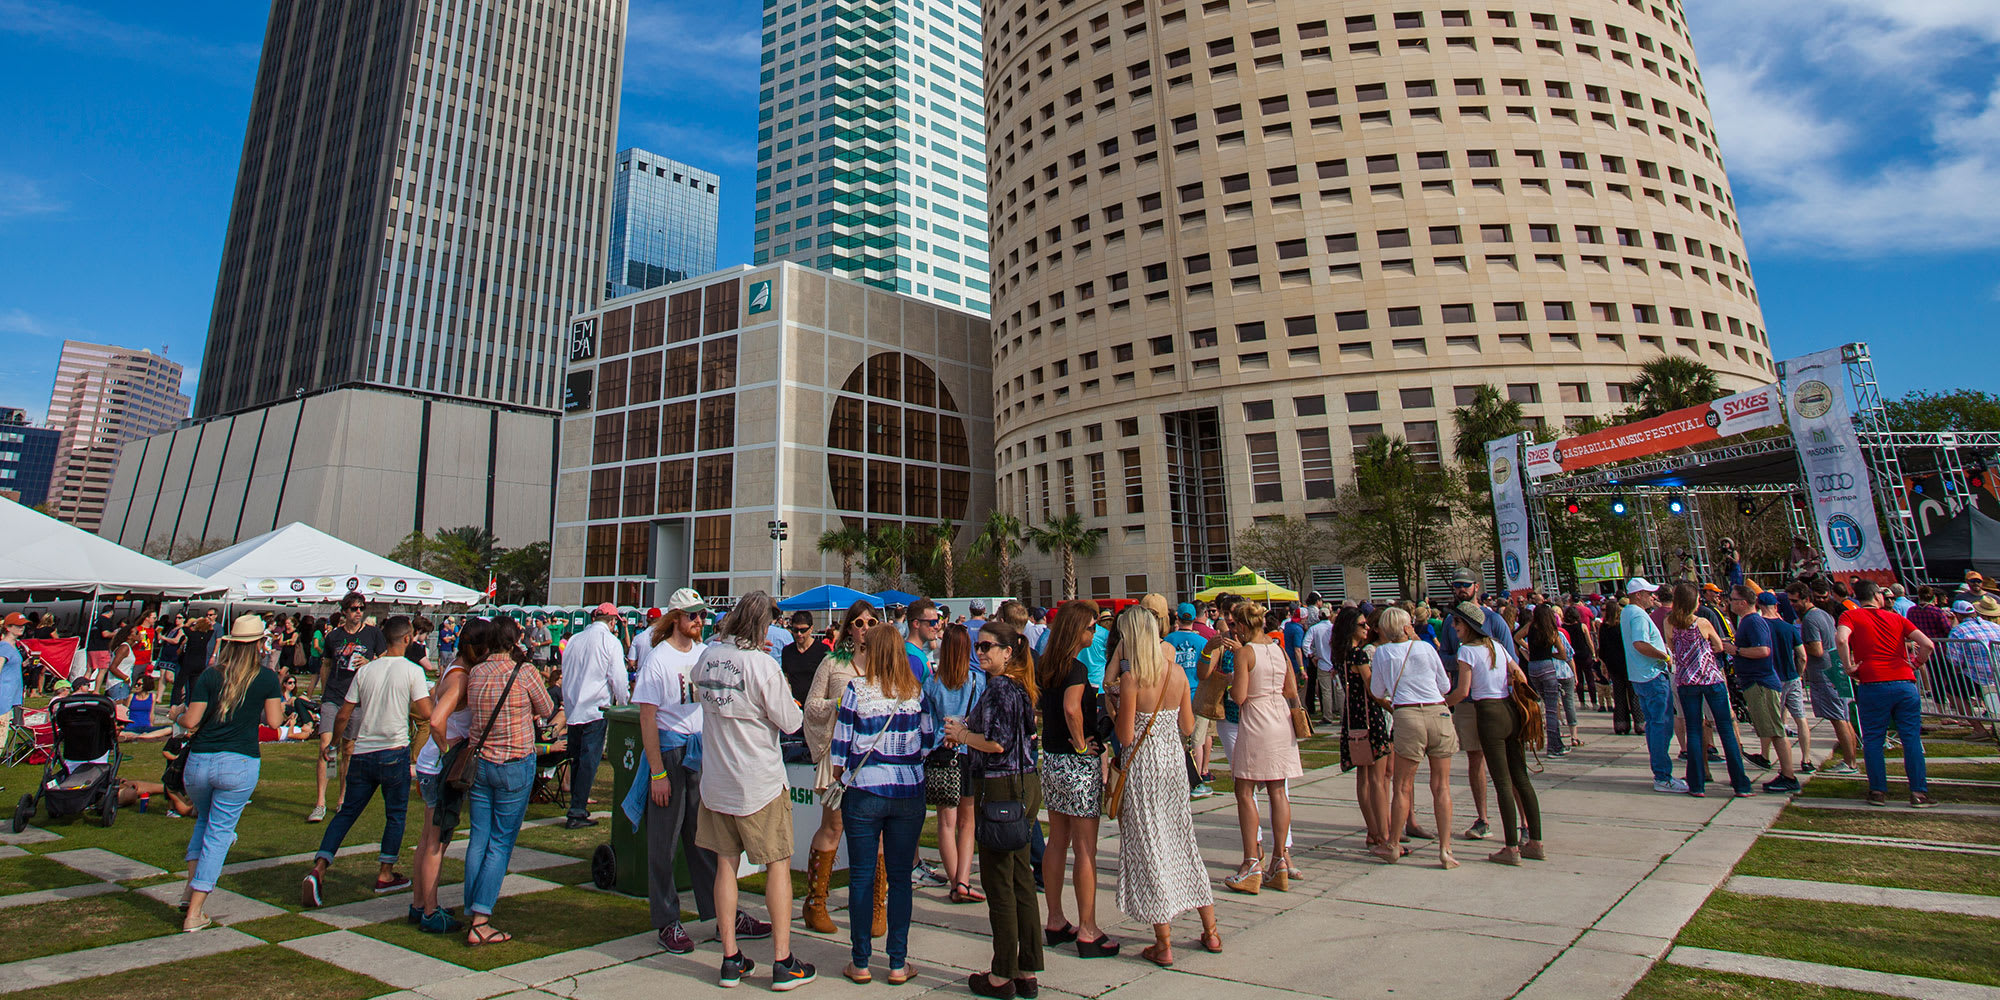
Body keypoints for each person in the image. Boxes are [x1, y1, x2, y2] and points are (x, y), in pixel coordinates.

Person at [691, 592, 816, 991]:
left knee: (725, 865)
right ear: (762, 625)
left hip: (717, 780)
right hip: (758, 780)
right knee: (777, 865)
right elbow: (790, 720)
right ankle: (782, 960)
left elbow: (699, 693)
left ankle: (730, 957)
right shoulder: (761, 665)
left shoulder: (708, 657)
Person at [1110, 606, 1220, 966]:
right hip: (1172, 763)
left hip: (1144, 766)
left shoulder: (1132, 680)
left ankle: (1164, 941)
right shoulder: (1174, 672)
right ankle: (1211, 929)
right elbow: (1188, 727)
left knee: (1151, 847)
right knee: (1181, 840)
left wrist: (1113, 709)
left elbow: (1125, 736)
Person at [302, 616, 434, 907]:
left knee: (347, 813)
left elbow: (344, 714)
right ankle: (385, 873)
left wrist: (334, 744)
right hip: (393, 750)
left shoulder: (366, 671)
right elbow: (426, 713)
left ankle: (320, 866)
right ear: (408, 639)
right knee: (396, 814)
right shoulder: (412, 671)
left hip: (363, 751)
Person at [943, 621, 1043, 999]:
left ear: (1007, 651)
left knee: (1001, 882)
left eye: (987, 647)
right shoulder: (1015, 685)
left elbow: (998, 743)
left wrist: (963, 736)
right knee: (1020, 881)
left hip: (1002, 785)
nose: (981, 652)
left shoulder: (1002, 687)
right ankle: (1026, 968)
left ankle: (1003, 973)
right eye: (978, 646)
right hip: (1023, 782)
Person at [829, 623, 933, 984]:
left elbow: (840, 748)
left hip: (865, 790)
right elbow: (929, 739)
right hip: (907, 790)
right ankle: (897, 962)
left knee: (862, 876)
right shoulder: (915, 691)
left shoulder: (857, 690)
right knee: (900, 879)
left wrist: (843, 772)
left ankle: (860, 961)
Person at [178, 615, 284, 932]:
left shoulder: (211, 675)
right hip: (238, 762)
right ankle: (195, 911)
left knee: (205, 823)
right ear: (259, 644)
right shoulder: (266, 678)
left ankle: (189, 894)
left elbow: (191, 720)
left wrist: (177, 715)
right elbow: (275, 722)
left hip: (200, 760)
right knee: (218, 833)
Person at [634, 602, 725, 954]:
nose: (698, 621)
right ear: (675, 619)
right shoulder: (659, 659)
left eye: (702, 615)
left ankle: (720, 914)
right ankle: (666, 919)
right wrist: (657, 772)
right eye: (691, 615)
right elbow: (647, 717)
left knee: (706, 838)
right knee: (664, 841)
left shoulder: (705, 653)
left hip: (699, 752)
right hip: (670, 751)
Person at [461, 619, 557, 945]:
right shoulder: (524, 672)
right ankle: (481, 917)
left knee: (479, 838)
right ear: (515, 640)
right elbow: (547, 706)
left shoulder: (476, 672)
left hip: (482, 762)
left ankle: (472, 908)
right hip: (514, 759)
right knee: (500, 843)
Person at [1034, 600, 1116, 955]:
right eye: (1090, 626)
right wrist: (1083, 745)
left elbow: (1043, 709)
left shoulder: (1047, 667)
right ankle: (1088, 928)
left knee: (1057, 839)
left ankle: (1055, 919)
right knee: (1085, 848)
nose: (1094, 631)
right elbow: (1072, 709)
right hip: (1076, 762)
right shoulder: (1076, 670)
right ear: (1075, 630)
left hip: (1051, 759)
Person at [1449, 603, 1543, 865]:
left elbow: (1463, 691)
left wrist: (1442, 702)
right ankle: (1535, 841)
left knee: (1502, 781)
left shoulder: (1467, 651)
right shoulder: (1497, 646)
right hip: (1509, 709)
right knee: (1520, 777)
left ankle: (1511, 847)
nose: (1454, 628)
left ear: (1466, 626)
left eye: (1457, 624)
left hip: (1488, 713)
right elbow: (1520, 675)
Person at [802, 600, 875, 937]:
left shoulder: (884, 664)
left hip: (876, 759)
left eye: (871, 622)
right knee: (833, 826)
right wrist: (839, 704)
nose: (864, 628)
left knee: (879, 831)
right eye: (858, 623)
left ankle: (877, 903)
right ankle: (816, 902)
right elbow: (812, 707)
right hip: (840, 759)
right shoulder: (833, 663)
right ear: (848, 628)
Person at [1223, 600, 1304, 890]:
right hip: (1280, 716)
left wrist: (1232, 681)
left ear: (1243, 627)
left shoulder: (1246, 652)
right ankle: (1280, 858)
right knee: (1278, 789)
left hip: (1257, 718)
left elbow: (1240, 696)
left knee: (1244, 789)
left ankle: (1250, 863)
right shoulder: (1278, 648)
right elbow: (1291, 690)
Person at [1370, 607, 1457, 869]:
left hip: (1407, 713)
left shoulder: (1383, 653)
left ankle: (1394, 844)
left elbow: (1377, 690)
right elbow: (1445, 686)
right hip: (1437, 711)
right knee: (1441, 785)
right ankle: (1445, 849)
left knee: (1403, 786)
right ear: (1408, 626)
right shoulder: (1427, 648)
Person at [1838, 579, 1938, 808]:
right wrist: (1916, 662)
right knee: (1910, 738)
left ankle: (1877, 791)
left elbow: (1842, 639)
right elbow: (1928, 644)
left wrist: (1848, 666)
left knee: (1873, 739)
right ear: (1877, 596)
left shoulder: (1850, 616)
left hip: (1872, 682)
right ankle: (1918, 792)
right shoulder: (1897, 618)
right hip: (1904, 681)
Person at [412, 619, 482, 934]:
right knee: (437, 843)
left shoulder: (452, 666)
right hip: (440, 765)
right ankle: (430, 910)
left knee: (428, 840)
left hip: (428, 763)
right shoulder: (461, 678)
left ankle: (419, 904)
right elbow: (436, 719)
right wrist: (445, 747)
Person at [1666, 583, 1752, 798]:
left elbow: (1671, 645)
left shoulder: (1670, 623)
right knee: (1725, 730)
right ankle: (1740, 783)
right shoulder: (1702, 622)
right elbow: (1719, 645)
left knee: (1693, 731)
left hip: (1686, 680)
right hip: (1710, 678)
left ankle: (1696, 783)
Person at [924, 623, 987, 904]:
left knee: (946, 822)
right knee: (967, 821)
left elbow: (926, 722)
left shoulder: (932, 683)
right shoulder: (977, 680)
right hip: (968, 752)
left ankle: (954, 881)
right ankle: (963, 879)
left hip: (941, 752)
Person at [559, 602, 634, 829]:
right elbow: (619, 678)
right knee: (588, 763)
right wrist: (624, 702)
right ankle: (577, 811)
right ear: (612, 622)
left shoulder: (575, 640)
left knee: (577, 761)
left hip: (575, 709)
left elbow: (566, 672)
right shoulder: (610, 642)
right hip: (594, 709)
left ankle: (577, 805)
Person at [313, 593, 386, 823]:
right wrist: (324, 693)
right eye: (354, 608)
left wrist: (370, 662)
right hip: (333, 696)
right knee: (326, 746)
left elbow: (385, 661)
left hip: (357, 699)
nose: (358, 612)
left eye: (361, 608)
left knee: (348, 749)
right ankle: (320, 802)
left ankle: (342, 797)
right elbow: (326, 664)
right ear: (344, 611)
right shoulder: (334, 636)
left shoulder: (373, 634)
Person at [1725, 587, 1799, 793]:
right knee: (1769, 729)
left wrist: (1736, 650)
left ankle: (1788, 775)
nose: (1729, 602)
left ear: (1742, 602)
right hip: (1755, 682)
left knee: (1775, 730)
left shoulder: (1753, 621)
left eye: (1732, 599)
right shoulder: (1748, 622)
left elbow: (1763, 650)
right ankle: (1784, 772)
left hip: (1762, 683)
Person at [1621, 580, 1686, 792]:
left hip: (1641, 676)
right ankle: (1663, 776)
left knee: (1654, 725)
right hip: (1652, 675)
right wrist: (1665, 656)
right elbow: (1640, 644)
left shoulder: (1627, 612)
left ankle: (1660, 772)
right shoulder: (1638, 614)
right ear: (1638, 595)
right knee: (1661, 725)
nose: (1653, 597)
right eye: (1649, 594)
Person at [1163, 605, 1215, 796]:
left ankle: (1180, 778)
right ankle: (1197, 781)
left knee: (1178, 740)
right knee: (1197, 741)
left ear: (1178, 618)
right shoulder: (1201, 642)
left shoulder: (1168, 641)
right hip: (1196, 694)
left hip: (1175, 695)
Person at [1522, 604, 1572, 758]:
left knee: (1545, 702)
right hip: (1547, 666)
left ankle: (1555, 742)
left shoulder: (1531, 627)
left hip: (1533, 667)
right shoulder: (1552, 632)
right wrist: (1551, 655)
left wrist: (1528, 648)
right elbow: (1564, 655)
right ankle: (1554, 746)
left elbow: (1517, 636)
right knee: (1551, 708)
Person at [1946, 598, 2000, 738]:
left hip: (1977, 675)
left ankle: (1979, 729)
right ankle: (1996, 727)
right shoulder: (1994, 626)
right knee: (1993, 696)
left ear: (1956, 615)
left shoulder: (1958, 631)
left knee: (1952, 691)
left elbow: (1954, 660)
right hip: (1997, 672)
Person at [781, 611, 827, 705]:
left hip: (816, 704)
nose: (799, 634)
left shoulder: (823, 650)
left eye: (803, 630)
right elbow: (785, 677)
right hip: (794, 704)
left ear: (811, 629)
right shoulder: (787, 651)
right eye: (795, 630)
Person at [0, 613, 25, 724]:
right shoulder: (4, 646)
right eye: (18, 625)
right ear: (8, 628)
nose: (22, 628)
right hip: (4, 695)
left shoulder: (14, 646)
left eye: (23, 625)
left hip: (12, 694)